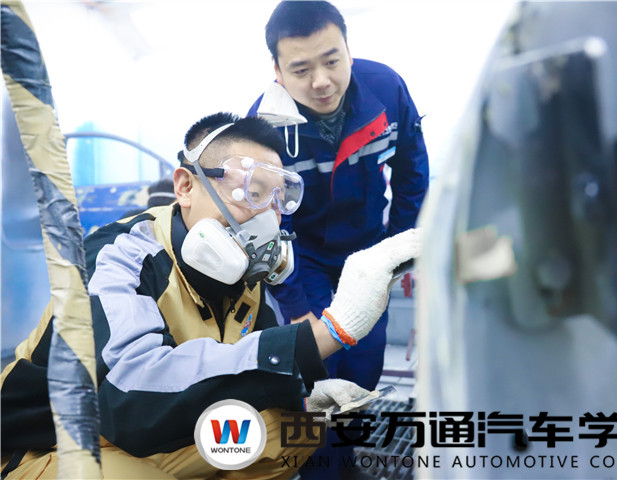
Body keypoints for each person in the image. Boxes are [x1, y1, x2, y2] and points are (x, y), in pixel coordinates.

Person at [0, 112, 420, 480]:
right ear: (186, 186)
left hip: (146, 434)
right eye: (253, 192)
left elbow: (243, 369)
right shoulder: (117, 255)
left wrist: (304, 399)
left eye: (278, 200)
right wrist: (331, 330)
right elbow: (130, 397)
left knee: (293, 430)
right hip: (52, 444)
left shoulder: (245, 277)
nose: (267, 218)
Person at [248, 3, 428, 477]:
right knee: (315, 367)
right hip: (301, 255)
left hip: (369, 249)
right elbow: (264, 225)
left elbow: (412, 170)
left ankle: (344, 462)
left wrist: (398, 251)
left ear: (349, 50)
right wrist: (295, 305)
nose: (321, 81)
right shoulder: (264, 128)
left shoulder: (386, 89)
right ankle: (316, 470)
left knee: (364, 362)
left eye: (332, 60)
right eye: (301, 69)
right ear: (277, 71)